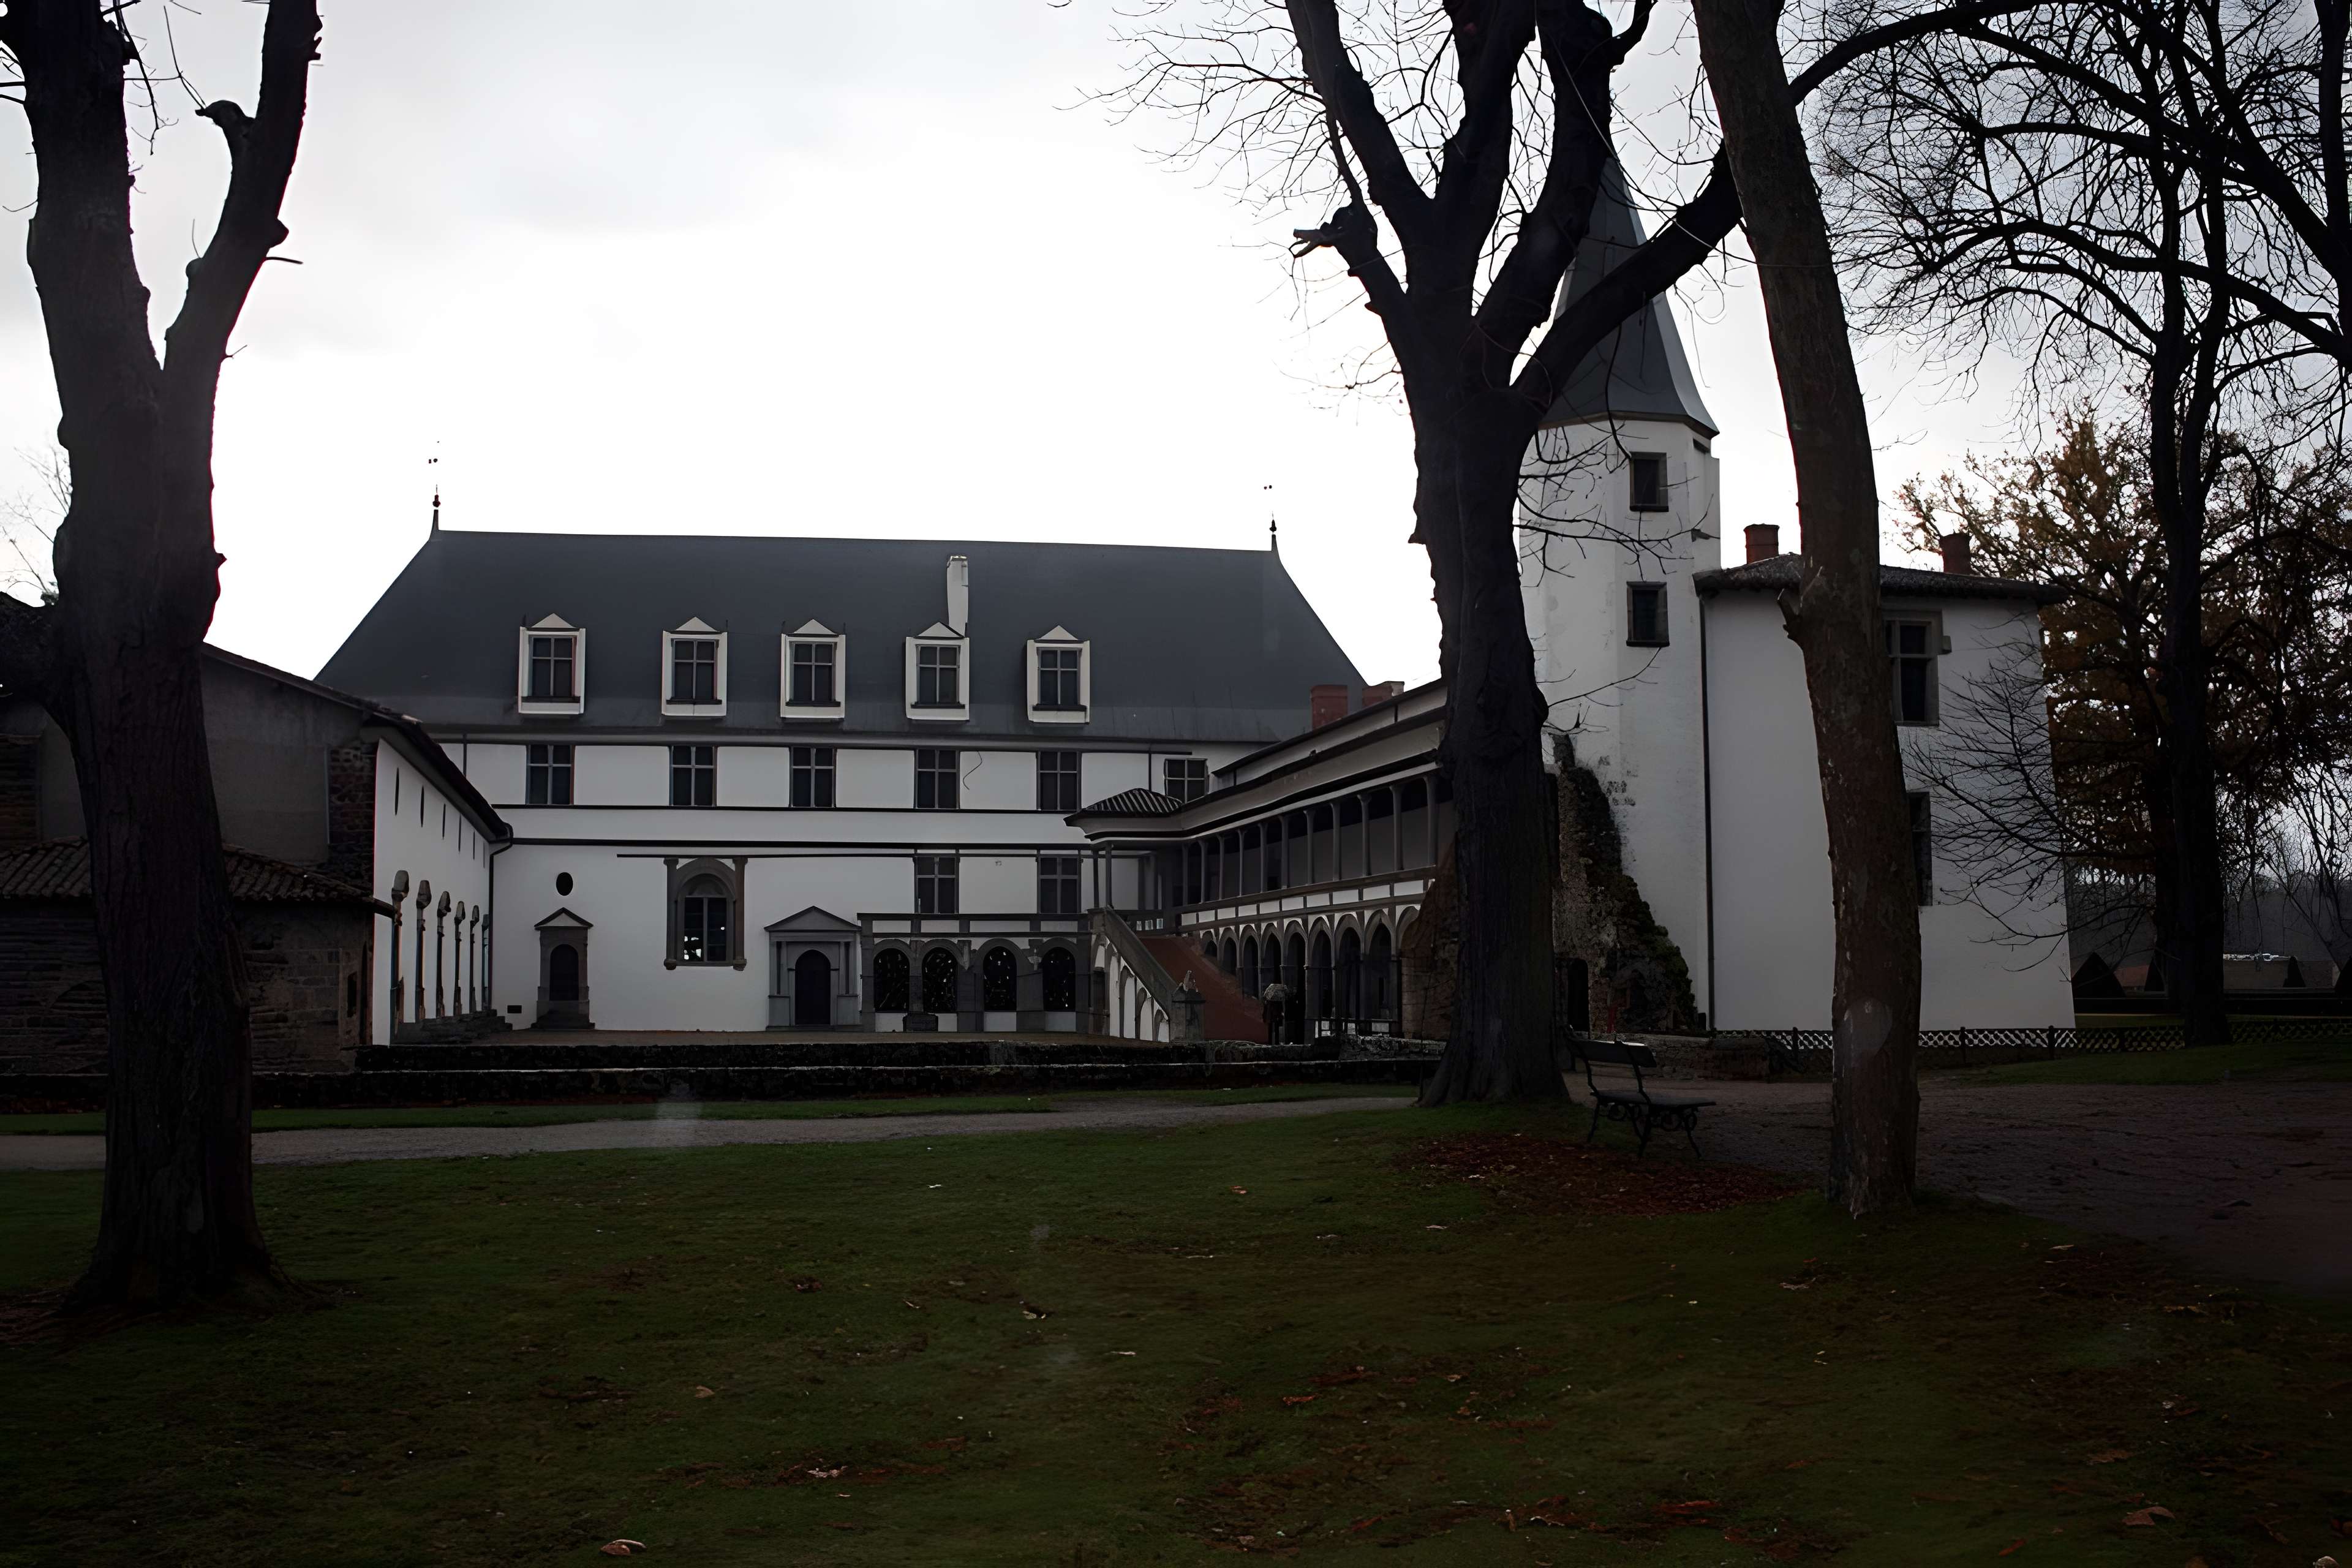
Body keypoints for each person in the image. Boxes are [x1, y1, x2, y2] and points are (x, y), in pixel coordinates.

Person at [1259, 978, 1292, 1044]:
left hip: (1271, 1015)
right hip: (1276, 1014)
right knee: (1276, 1028)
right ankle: (1276, 1042)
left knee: (1271, 1028)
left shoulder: (1271, 991)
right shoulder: (1281, 993)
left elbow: (1265, 1004)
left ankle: (1271, 1041)